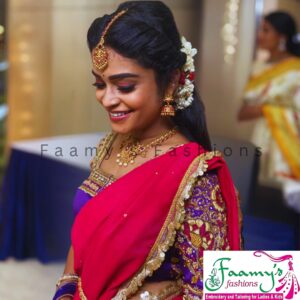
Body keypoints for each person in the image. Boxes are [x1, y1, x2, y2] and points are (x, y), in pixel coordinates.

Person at [53, 1, 241, 299]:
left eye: (124, 86)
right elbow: (86, 232)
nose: (107, 99)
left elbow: (214, 291)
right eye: (98, 83)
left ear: (170, 83)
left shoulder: (196, 177)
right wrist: (65, 290)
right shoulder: (110, 145)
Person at [238, 11, 300, 211]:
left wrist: (269, 107)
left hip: (291, 146)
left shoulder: (296, 69)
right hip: (261, 145)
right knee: (261, 207)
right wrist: (272, 107)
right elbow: (243, 113)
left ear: (281, 36)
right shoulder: (258, 68)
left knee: (289, 214)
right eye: (260, 29)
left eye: (266, 30)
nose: (260, 35)